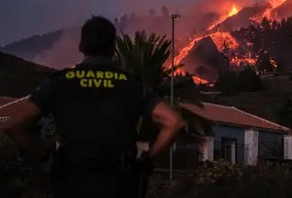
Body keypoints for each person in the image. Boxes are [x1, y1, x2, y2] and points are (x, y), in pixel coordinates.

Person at [2, 16, 185, 198]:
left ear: (81, 46)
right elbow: (174, 122)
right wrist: (147, 160)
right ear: (114, 48)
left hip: (72, 182)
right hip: (118, 183)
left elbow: (12, 124)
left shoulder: (60, 83)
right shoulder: (131, 85)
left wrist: (43, 157)